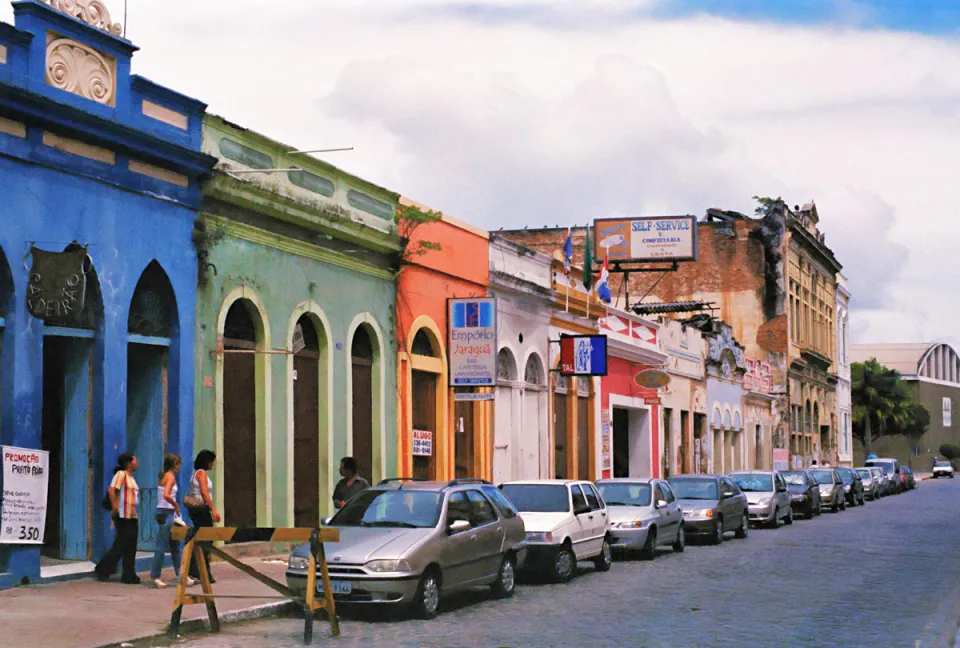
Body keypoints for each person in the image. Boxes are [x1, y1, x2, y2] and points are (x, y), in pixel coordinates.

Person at [150, 454, 197, 589]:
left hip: (165, 512)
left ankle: (182, 575)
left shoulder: (164, 476)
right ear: (175, 464)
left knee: (175, 545)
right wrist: (176, 505)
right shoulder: (170, 477)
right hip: (167, 512)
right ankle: (155, 575)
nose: (179, 467)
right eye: (178, 464)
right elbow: (166, 495)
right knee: (162, 545)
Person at [95, 453, 141, 584]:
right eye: (134, 459)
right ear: (129, 463)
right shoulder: (121, 474)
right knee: (121, 544)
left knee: (131, 545)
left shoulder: (132, 478)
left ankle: (129, 574)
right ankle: (103, 569)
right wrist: (115, 506)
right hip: (123, 515)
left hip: (132, 515)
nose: (136, 462)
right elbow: (111, 490)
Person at [185, 450, 221, 583]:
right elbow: (205, 493)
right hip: (201, 510)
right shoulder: (202, 474)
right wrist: (213, 510)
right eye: (212, 461)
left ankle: (198, 571)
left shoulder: (196, 474)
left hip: (197, 510)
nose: (213, 464)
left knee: (202, 539)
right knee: (206, 541)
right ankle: (201, 571)